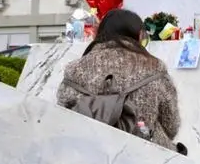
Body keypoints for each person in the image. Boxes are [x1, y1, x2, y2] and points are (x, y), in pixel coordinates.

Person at [56, 9, 182, 152]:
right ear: (140, 36)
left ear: (99, 34)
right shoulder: (155, 67)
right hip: (147, 158)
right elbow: (171, 126)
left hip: (88, 155)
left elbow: (63, 118)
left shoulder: (74, 69)